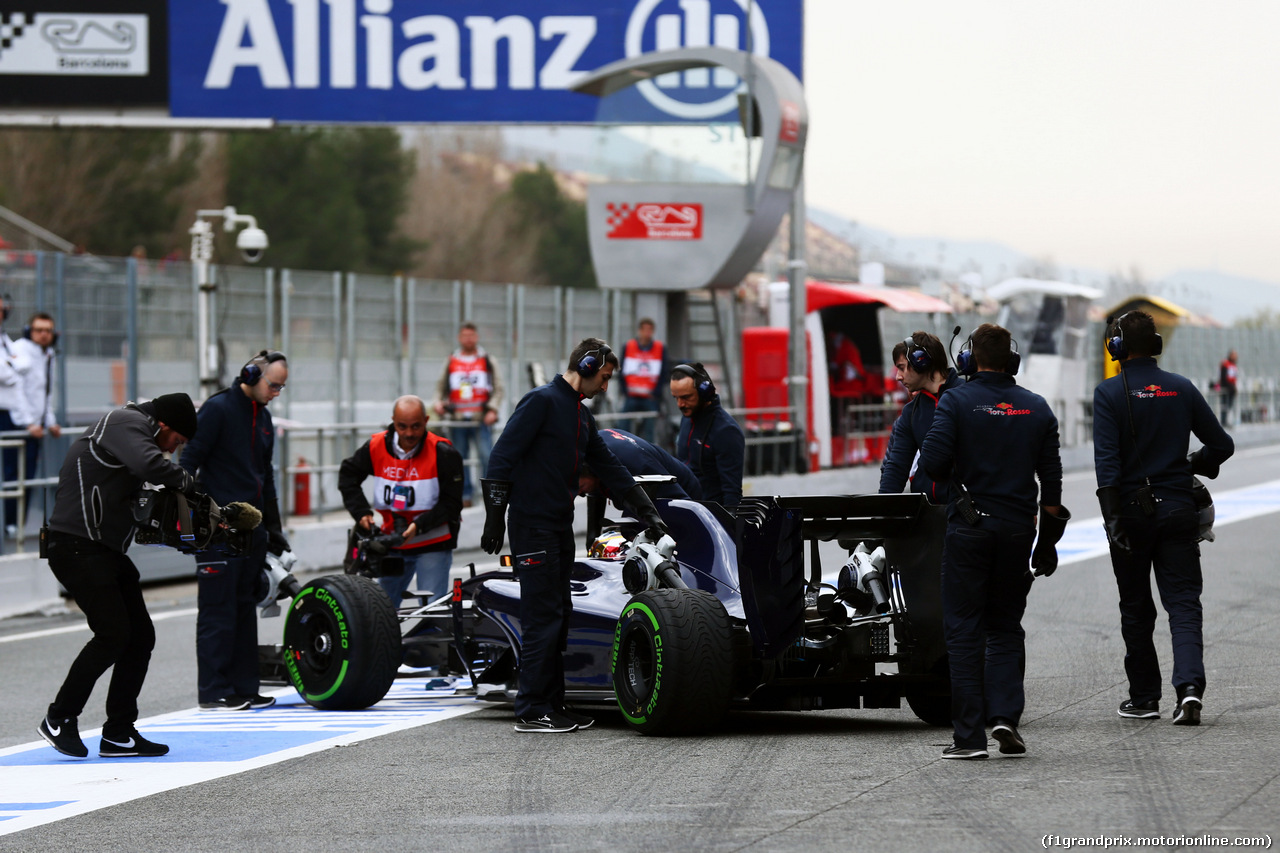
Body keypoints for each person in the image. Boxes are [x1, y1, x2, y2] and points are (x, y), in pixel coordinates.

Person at [481, 338, 669, 734]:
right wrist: (495, 518)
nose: (605, 387)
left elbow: (610, 467)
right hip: (532, 526)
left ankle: (552, 703)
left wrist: (647, 512)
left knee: (559, 614)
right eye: (603, 377)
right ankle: (531, 709)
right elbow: (501, 458)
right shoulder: (541, 402)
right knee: (542, 617)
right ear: (585, 366)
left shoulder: (581, 417)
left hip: (556, 525)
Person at [919, 324, 1064, 759]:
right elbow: (1052, 485)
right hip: (1019, 532)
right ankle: (1004, 717)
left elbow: (934, 463)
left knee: (963, 631)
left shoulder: (956, 401)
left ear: (967, 361)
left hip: (970, 530)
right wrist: (1048, 542)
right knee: (1004, 627)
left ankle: (969, 738)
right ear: (1011, 362)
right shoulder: (1037, 408)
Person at [38, 393, 200, 758]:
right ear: (164, 426)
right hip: (75, 546)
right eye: (177, 441)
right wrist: (189, 482)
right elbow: (152, 466)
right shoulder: (125, 423)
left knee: (140, 636)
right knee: (113, 634)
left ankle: (118, 733)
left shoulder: (134, 434)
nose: (174, 450)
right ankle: (59, 718)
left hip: (102, 550)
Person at [1095, 311, 1234, 726]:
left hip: (1130, 515)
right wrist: (1194, 462)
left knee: (1136, 607)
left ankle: (1144, 699)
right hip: (1177, 508)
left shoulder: (1107, 394)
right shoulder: (1182, 388)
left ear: (1116, 347)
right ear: (1155, 345)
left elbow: (1107, 468)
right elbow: (1222, 445)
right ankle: (1189, 690)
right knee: (1184, 604)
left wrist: (1112, 521)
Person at [180, 350, 290, 711]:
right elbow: (188, 463)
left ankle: (245, 688)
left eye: (281, 387)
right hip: (217, 528)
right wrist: (196, 518)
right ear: (250, 375)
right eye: (272, 385)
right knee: (217, 609)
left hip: (252, 531)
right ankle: (213, 691)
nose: (276, 392)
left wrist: (273, 528)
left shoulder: (265, 419)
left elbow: (267, 476)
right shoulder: (218, 409)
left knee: (245, 608)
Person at [338, 395, 463, 607]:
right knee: (382, 609)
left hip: (432, 542)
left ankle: (429, 639)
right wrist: (361, 513)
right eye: (402, 426)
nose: (409, 433)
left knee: (432, 609)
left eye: (416, 426)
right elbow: (348, 475)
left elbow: (452, 504)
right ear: (393, 420)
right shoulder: (376, 445)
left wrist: (419, 526)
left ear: (426, 420)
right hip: (392, 543)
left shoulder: (443, 452)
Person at [879, 332, 962, 502]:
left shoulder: (969, 397)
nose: (898, 376)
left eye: (901, 367)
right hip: (928, 513)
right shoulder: (911, 412)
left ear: (921, 362)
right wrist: (881, 510)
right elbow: (896, 468)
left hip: (968, 514)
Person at [432, 322, 504, 508]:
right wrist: (438, 403)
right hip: (458, 421)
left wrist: (493, 409)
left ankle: (489, 495)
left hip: (480, 420)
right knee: (459, 459)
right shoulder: (451, 361)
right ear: (459, 337)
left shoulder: (487, 360)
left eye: (471, 335)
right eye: (465, 335)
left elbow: (498, 387)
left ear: (476, 337)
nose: (468, 339)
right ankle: (465, 496)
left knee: (486, 457)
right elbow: (440, 387)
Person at [670, 362, 745, 511]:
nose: (680, 404)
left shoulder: (726, 431)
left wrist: (726, 527)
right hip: (686, 511)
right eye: (676, 398)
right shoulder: (686, 419)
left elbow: (731, 493)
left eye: (686, 397)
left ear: (705, 392)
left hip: (710, 517)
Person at [13, 312, 62, 518]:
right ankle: (9, 524)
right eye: (39, 330)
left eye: (48, 331)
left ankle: (16, 524)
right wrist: (28, 423)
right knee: (13, 476)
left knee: (27, 477)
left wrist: (50, 421)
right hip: (19, 424)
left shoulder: (47, 354)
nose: (43, 334)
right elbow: (17, 391)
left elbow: (45, 393)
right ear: (29, 331)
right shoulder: (21, 350)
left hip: (35, 427)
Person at [580, 427, 702, 502]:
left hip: (682, 490)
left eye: (581, 488)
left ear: (587, 470)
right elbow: (596, 493)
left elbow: (680, 500)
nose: (580, 494)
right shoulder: (591, 452)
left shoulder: (636, 464)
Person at [0, 294, 33, 536]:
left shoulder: (5, 339)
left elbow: (23, 364)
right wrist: (12, 368)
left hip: (11, 413)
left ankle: (11, 522)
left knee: (15, 470)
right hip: (4, 412)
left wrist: (11, 367)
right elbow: (7, 373)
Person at [618, 318, 666, 443]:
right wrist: (624, 391)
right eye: (644, 329)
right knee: (623, 426)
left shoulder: (660, 348)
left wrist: (656, 394)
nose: (646, 333)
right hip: (631, 396)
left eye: (649, 330)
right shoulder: (629, 346)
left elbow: (664, 372)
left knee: (649, 431)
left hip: (650, 397)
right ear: (639, 330)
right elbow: (621, 370)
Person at [1217, 349, 1238, 426]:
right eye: (1234, 355)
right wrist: (1229, 386)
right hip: (1226, 388)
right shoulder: (1226, 364)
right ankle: (1223, 421)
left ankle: (1226, 420)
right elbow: (1224, 377)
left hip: (1231, 389)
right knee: (1224, 405)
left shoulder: (1234, 365)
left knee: (1228, 405)